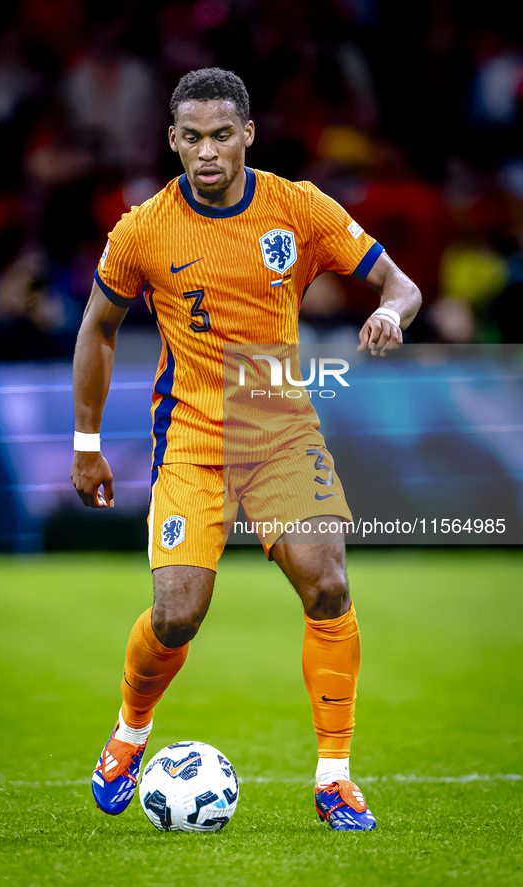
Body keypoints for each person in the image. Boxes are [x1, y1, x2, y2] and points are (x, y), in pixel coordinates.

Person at [71, 68, 421, 831]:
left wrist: (391, 314)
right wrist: (87, 442)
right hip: (191, 435)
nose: (206, 151)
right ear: (172, 140)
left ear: (247, 136)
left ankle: (335, 780)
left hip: (276, 424)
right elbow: (97, 327)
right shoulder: (142, 229)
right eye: (191, 136)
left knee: (326, 582)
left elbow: (400, 284)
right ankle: (130, 732)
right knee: (177, 613)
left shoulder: (296, 207)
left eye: (221, 134)